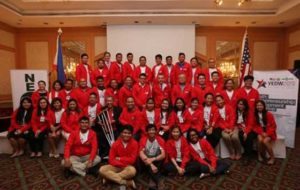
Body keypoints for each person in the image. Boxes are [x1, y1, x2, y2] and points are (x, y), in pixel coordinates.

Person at [99, 125, 138, 189]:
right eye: (125, 133)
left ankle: (109, 179)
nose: (127, 135)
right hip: (115, 166)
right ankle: (127, 182)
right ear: (121, 133)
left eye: (129, 133)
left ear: (131, 134)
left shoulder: (135, 143)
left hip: (127, 167)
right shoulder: (115, 144)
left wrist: (119, 158)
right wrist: (122, 162)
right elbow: (111, 160)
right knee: (102, 170)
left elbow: (132, 160)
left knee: (132, 171)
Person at [139, 124, 166, 190]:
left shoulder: (160, 140)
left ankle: (152, 180)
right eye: (150, 130)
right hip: (147, 160)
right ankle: (159, 181)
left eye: (153, 130)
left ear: (156, 131)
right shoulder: (143, 140)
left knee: (159, 161)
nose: (151, 131)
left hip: (157, 159)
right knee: (145, 161)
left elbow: (163, 155)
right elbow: (141, 153)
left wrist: (153, 159)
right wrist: (151, 164)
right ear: (147, 132)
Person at [215, 95, 239, 160]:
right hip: (224, 129)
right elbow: (218, 122)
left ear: (223, 100)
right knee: (226, 136)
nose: (218, 102)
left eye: (219, 100)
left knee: (235, 137)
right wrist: (225, 129)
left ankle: (238, 152)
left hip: (233, 127)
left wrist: (230, 129)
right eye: (217, 101)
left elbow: (233, 118)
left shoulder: (229, 107)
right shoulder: (215, 110)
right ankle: (232, 152)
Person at [253, 100, 277, 165]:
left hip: (269, 132)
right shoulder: (255, 115)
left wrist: (267, 134)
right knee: (260, 139)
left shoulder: (269, 114)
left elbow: (273, 126)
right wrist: (261, 133)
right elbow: (254, 126)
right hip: (260, 131)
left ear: (264, 106)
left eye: (261, 105)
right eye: (257, 105)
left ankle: (272, 158)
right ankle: (259, 155)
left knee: (265, 141)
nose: (259, 107)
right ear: (255, 107)